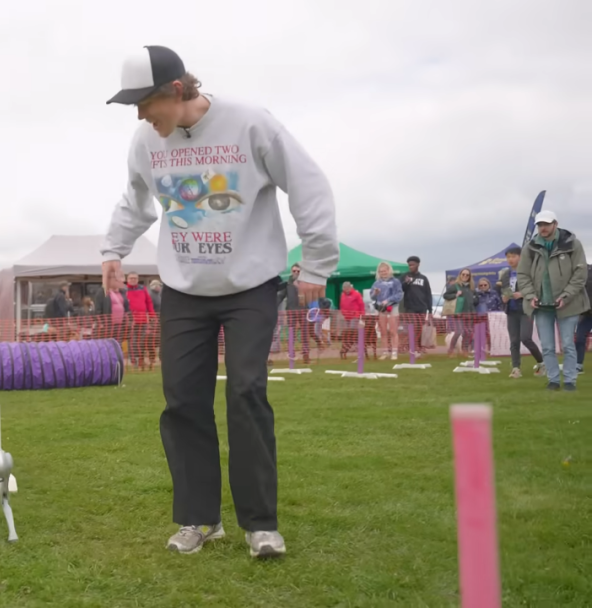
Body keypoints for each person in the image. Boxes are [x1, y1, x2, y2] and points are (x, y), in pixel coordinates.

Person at [100, 45, 338, 558]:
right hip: (184, 290)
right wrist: (113, 249)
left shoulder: (251, 123)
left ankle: (260, 525)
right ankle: (199, 519)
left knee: (247, 392)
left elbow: (308, 184)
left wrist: (318, 261)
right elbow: (135, 201)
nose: (140, 116)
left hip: (250, 285)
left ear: (177, 90)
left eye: (145, 103)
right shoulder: (146, 141)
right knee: (183, 401)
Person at [516, 211, 589, 391]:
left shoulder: (572, 243)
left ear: (555, 224)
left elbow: (580, 274)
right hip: (541, 306)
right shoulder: (529, 248)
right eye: (540, 225)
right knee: (547, 346)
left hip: (568, 304)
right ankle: (553, 380)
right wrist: (530, 295)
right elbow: (522, 275)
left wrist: (566, 296)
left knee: (568, 345)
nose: (543, 228)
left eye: (546, 224)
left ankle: (570, 380)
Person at [498, 246, 545, 378]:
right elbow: (504, 290)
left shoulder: (528, 271)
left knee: (525, 338)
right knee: (514, 341)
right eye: (508, 257)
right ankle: (516, 368)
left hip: (525, 310)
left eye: (513, 256)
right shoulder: (505, 274)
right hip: (511, 310)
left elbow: (537, 289)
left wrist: (523, 294)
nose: (510, 259)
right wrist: (504, 298)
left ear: (520, 257)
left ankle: (541, 362)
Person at [371, 262, 404, 360]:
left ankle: (394, 352)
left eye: (384, 271)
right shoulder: (377, 283)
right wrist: (375, 293)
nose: (383, 273)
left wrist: (388, 300)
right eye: (381, 271)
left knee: (393, 331)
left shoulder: (395, 282)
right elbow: (372, 296)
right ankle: (385, 352)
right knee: (383, 331)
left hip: (392, 307)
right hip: (381, 309)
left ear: (389, 270)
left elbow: (399, 294)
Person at [400, 256, 433, 354]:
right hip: (410, 307)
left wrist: (430, 310)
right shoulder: (405, 276)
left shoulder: (423, 278)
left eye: (413, 265)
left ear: (418, 265)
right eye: (409, 265)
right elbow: (400, 288)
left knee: (419, 328)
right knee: (412, 327)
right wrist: (406, 283)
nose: (411, 267)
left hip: (422, 307)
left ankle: (419, 346)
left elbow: (428, 294)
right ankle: (413, 347)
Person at [443, 269, 477, 358]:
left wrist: (474, 300)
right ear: (460, 275)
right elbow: (445, 295)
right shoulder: (455, 286)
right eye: (463, 274)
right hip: (458, 313)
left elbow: (476, 299)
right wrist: (455, 295)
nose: (465, 276)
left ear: (469, 276)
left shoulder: (471, 287)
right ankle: (451, 350)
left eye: (467, 275)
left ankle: (464, 350)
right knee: (458, 331)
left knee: (468, 332)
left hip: (469, 313)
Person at [576, 266, 592, 374]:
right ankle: (578, 365)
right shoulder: (584, 272)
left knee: (580, 338)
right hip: (587, 314)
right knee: (579, 338)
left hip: (586, 313)